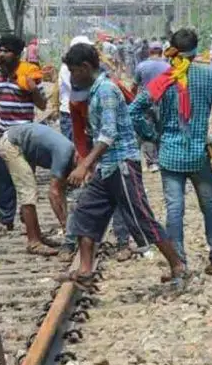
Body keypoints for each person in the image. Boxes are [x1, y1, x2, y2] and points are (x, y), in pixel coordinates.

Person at [60, 44, 186, 287]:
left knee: (141, 216)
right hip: (107, 167)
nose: (73, 77)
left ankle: (177, 264)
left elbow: (108, 133)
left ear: (86, 68)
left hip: (121, 164)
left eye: (74, 71)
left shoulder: (106, 90)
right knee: (84, 212)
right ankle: (85, 269)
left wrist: (84, 165)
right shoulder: (95, 91)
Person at [129, 28, 212, 275]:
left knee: (174, 209)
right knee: (209, 205)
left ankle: (179, 262)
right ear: (196, 51)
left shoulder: (163, 81)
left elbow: (134, 110)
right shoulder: (208, 76)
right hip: (199, 153)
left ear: (172, 50)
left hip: (169, 154)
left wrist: (152, 136)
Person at [0, 34, 46, 235]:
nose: (1, 55)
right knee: (3, 179)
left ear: (17, 54)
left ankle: (27, 218)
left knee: (24, 179)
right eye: (1, 51)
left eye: (6, 51)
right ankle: (5, 219)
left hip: (24, 136)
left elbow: (42, 104)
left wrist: (33, 90)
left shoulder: (29, 73)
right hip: (2, 133)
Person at [0, 122, 74, 256]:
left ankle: (38, 235)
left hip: (23, 143)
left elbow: (61, 191)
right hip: (11, 144)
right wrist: (65, 225)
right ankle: (34, 242)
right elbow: (53, 193)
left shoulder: (69, 156)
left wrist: (68, 224)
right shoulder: (65, 155)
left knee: (31, 190)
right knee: (28, 192)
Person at [132, 40, 169, 172]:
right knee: (161, 128)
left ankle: (152, 162)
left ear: (149, 51)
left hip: (145, 103)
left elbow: (134, 86)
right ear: (161, 51)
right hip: (163, 101)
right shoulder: (167, 67)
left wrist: (134, 99)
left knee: (147, 131)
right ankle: (163, 158)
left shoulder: (141, 66)